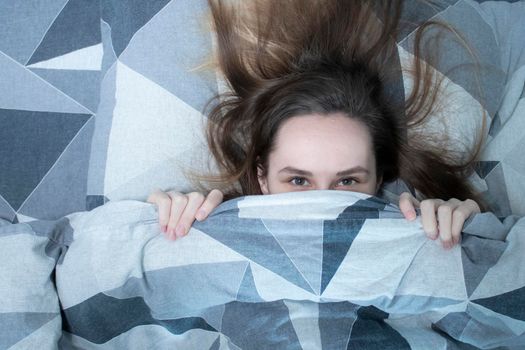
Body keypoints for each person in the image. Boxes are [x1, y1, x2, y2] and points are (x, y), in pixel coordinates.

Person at [148, 0, 484, 249]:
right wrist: (163, 219)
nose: (323, 209)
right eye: (298, 180)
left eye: (347, 180)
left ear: (379, 178)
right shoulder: (215, 227)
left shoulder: (412, 224)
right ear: (262, 178)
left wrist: (468, 226)